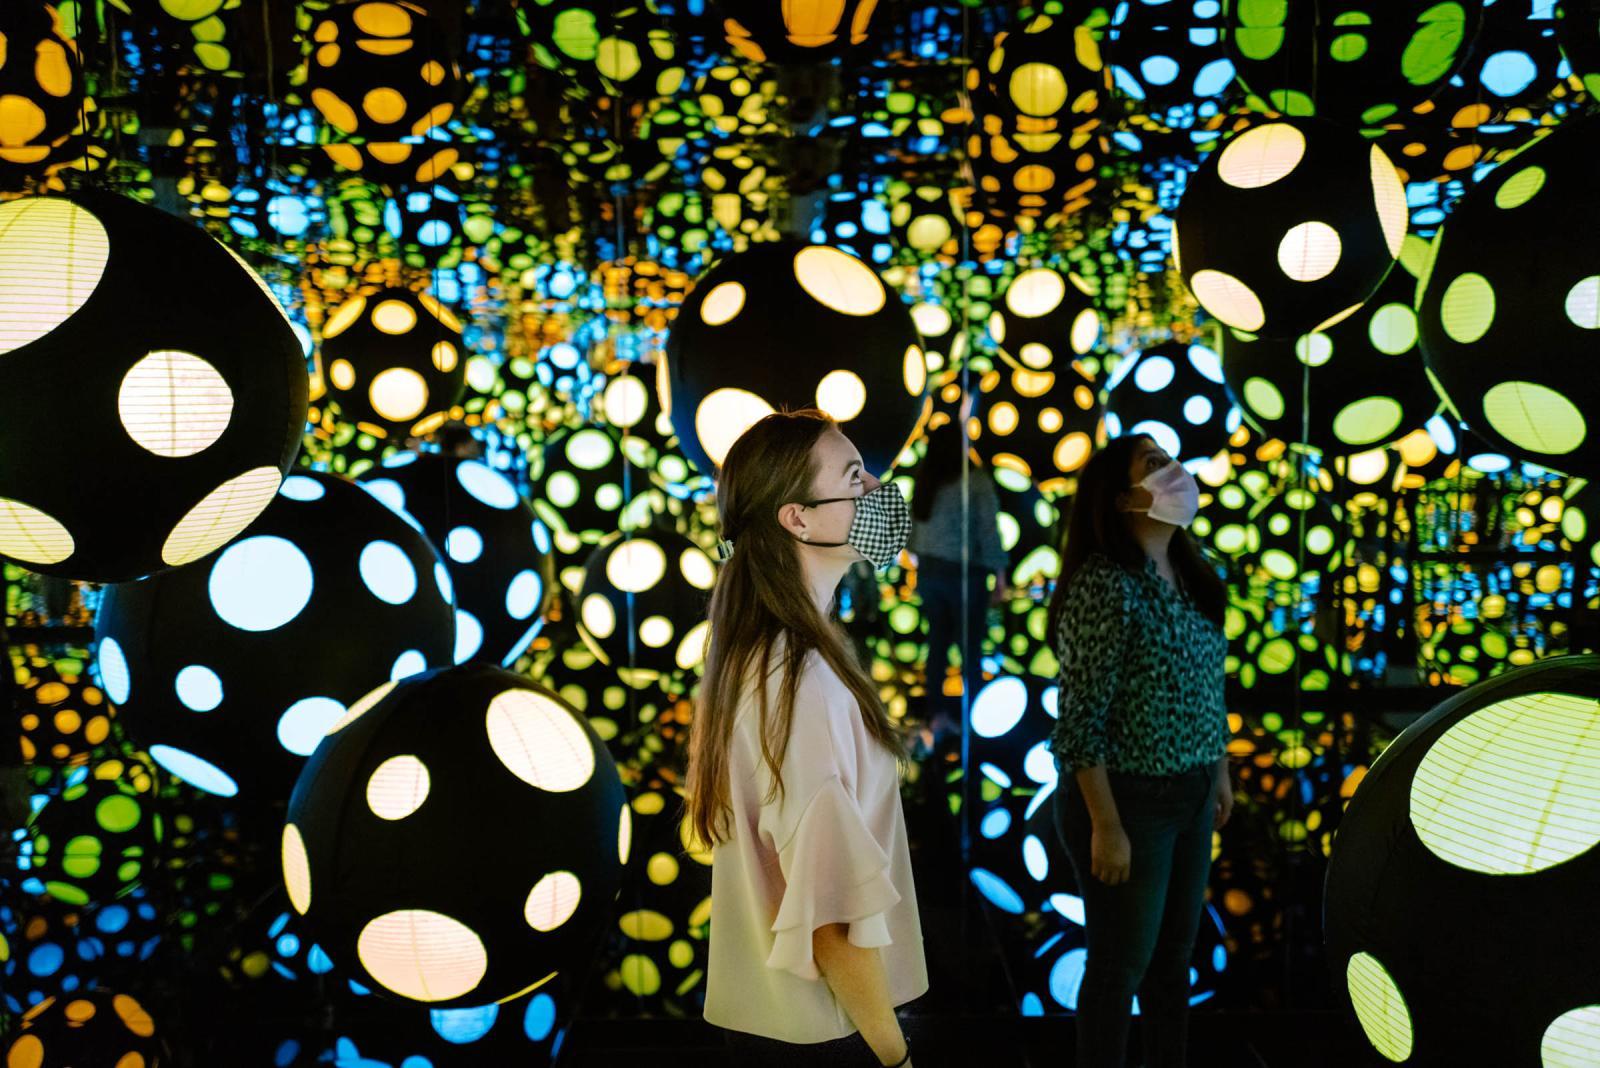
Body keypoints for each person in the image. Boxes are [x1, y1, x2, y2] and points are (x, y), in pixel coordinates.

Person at [687, 409, 929, 1067]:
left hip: (792, 1020)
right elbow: (830, 917)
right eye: (855, 477)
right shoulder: (797, 677)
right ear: (797, 517)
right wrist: (894, 1056)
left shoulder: (775, 653)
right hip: (825, 1029)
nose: (878, 487)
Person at [1047, 433, 1233, 1068]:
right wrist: (1106, 824)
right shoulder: (1106, 584)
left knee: (1173, 960)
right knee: (1120, 967)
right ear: (1123, 498)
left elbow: (1211, 686)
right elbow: (1080, 719)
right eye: (1155, 464)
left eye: (1172, 460)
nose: (1176, 472)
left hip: (1192, 789)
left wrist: (1220, 774)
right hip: (1128, 801)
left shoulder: (1197, 576)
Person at [906, 422, 1009, 747]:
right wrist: (1000, 575)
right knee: (970, 649)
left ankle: (935, 717)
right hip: (965, 576)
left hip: (930, 574)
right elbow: (988, 529)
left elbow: (912, 532)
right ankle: (973, 722)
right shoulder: (974, 480)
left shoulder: (926, 479)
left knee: (938, 644)